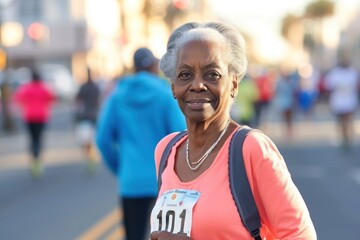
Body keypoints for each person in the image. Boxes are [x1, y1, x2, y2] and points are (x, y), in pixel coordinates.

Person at [149, 22, 316, 240]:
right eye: (185, 75)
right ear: (173, 87)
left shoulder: (251, 149)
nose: (197, 84)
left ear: (234, 84)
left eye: (212, 74)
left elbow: (300, 235)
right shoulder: (166, 150)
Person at [96, 47, 186, 240]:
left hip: (131, 180)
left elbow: (103, 140)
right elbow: (181, 137)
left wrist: (120, 167)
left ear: (134, 68)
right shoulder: (165, 96)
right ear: (154, 66)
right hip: (164, 183)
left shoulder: (117, 97)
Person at [13, 69, 55, 178]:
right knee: (39, 138)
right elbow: (51, 98)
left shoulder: (27, 88)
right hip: (41, 117)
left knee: (32, 139)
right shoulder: (44, 87)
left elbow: (18, 98)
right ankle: (38, 160)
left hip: (29, 116)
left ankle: (33, 160)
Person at [324, 52, 359, 151]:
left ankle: (348, 138)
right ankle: (344, 138)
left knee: (347, 120)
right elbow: (328, 86)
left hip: (349, 101)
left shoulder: (353, 72)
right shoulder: (335, 73)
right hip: (339, 101)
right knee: (341, 121)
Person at [74, 67, 101, 172]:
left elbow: (77, 101)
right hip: (93, 116)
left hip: (86, 116)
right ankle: (91, 157)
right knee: (91, 139)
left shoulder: (84, 87)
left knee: (86, 140)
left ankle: (90, 158)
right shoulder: (95, 87)